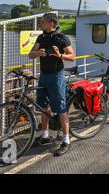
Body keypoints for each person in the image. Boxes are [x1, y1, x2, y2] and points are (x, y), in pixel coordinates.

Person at [29, 13, 75, 156]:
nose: (40, 23)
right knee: (43, 106)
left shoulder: (62, 38)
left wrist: (59, 55)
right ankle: (44, 136)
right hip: (43, 75)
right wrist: (38, 53)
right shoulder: (41, 37)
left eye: (43, 21)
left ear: (51, 23)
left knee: (61, 108)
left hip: (56, 76)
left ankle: (66, 140)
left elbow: (72, 57)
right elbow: (30, 54)